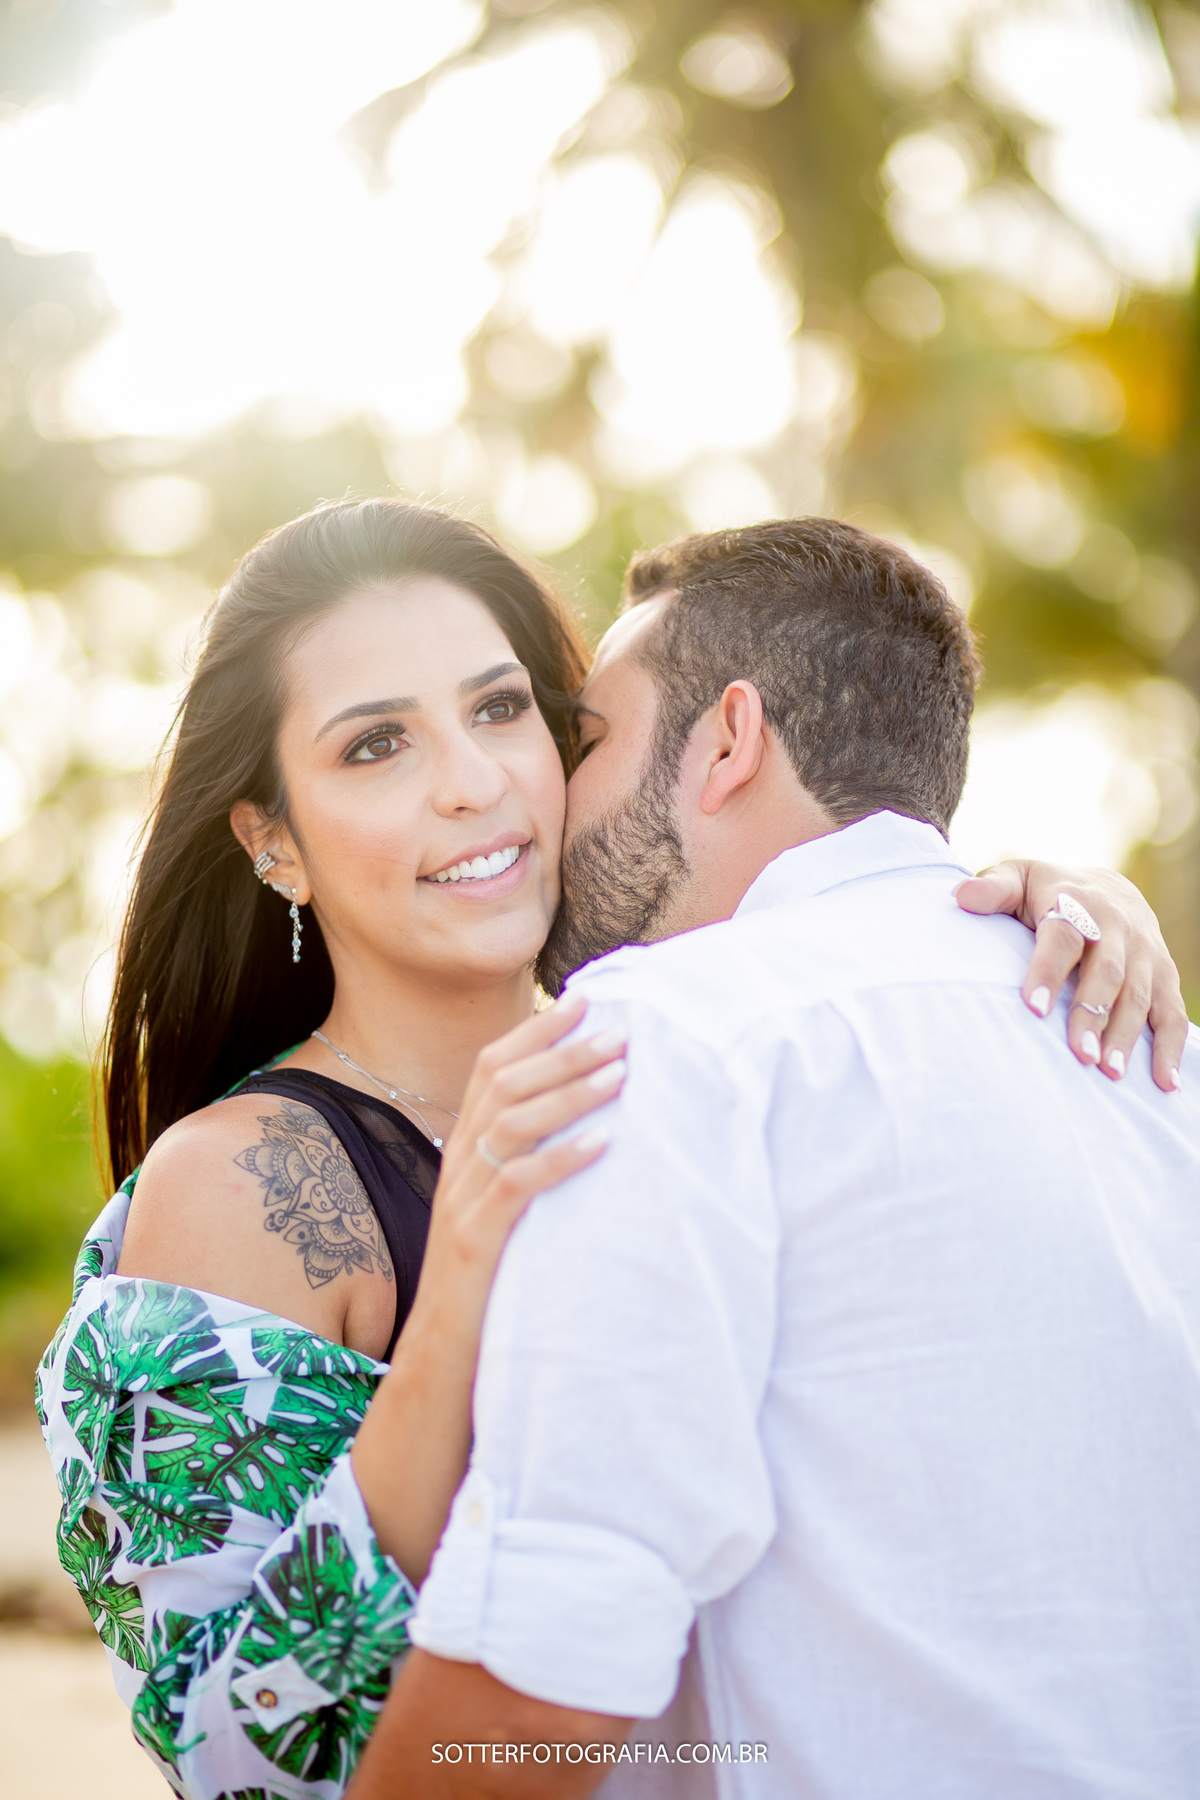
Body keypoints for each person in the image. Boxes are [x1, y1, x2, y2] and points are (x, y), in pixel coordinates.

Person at [35, 500, 1186, 1800]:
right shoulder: (246, 1184)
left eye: (507, 710)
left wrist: (1017, 910)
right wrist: (462, 1291)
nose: (472, 781)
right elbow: (244, 1762)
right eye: (375, 746)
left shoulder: (696, 1067)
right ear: (273, 841)